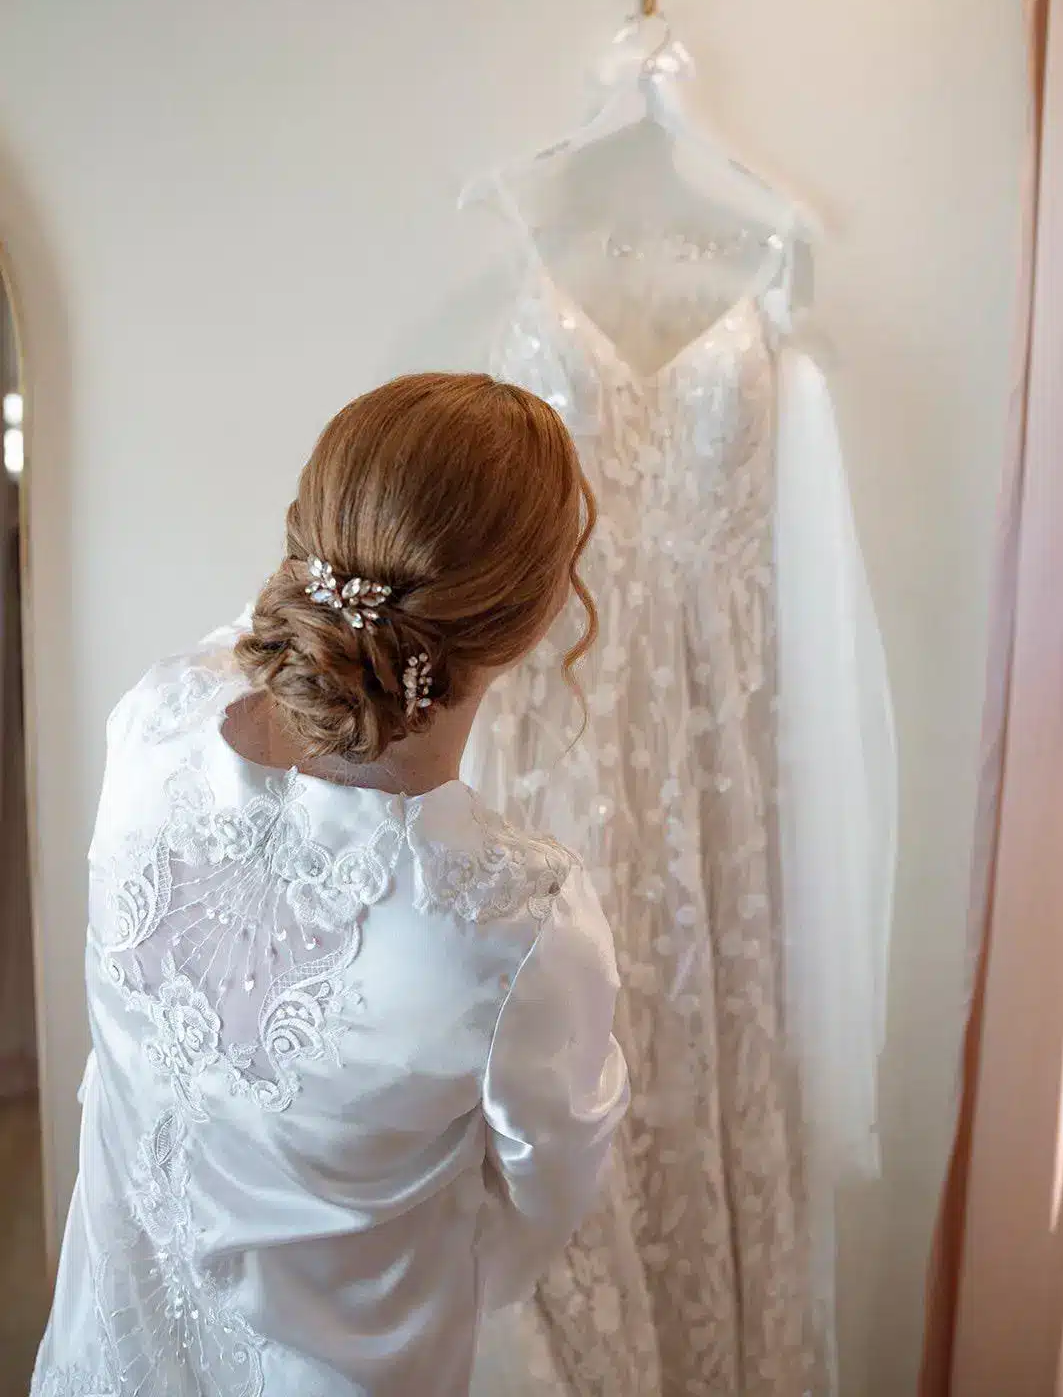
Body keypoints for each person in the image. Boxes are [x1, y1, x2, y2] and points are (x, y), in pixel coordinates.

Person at [32, 373, 628, 1397]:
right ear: (532, 626)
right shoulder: (512, 925)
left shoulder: (153, 726)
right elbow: (545, 1198)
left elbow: (261, 647)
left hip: (100, 1358)